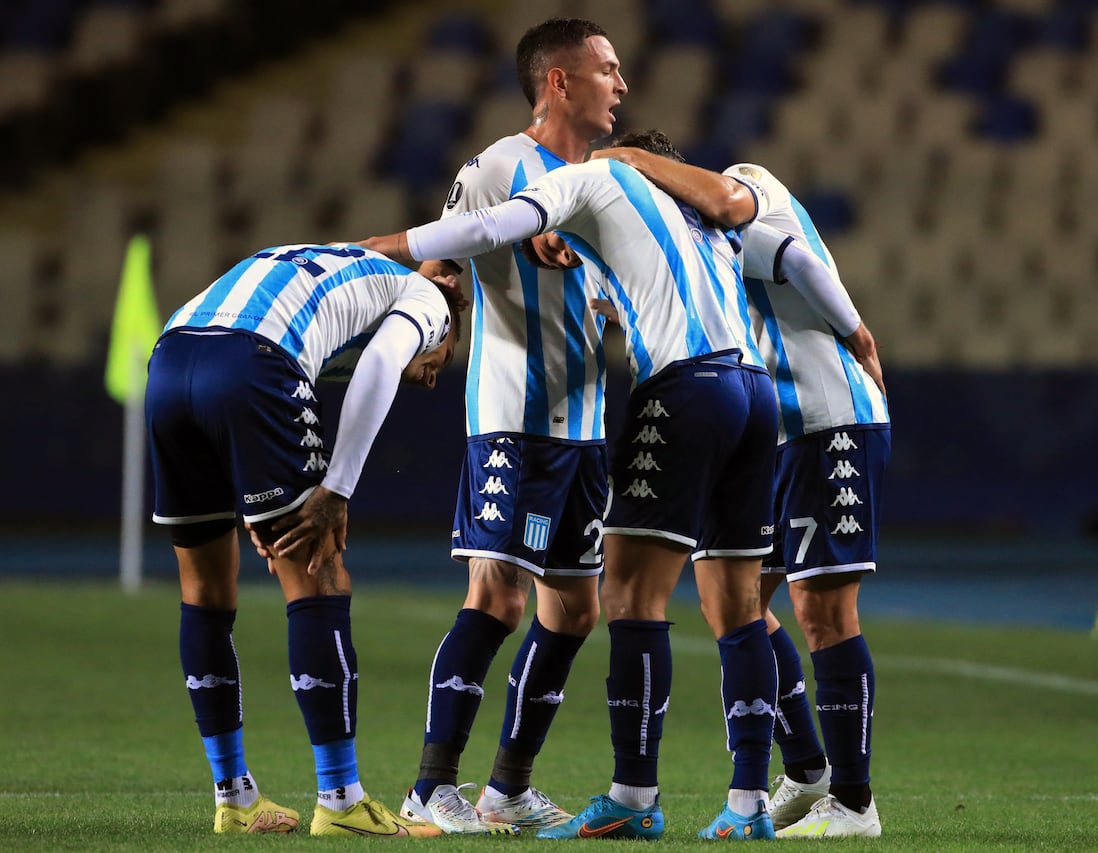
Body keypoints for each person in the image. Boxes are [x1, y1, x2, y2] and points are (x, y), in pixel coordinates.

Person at [356, 128, 877, 841]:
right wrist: (858, 332)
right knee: (740, 602)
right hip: (756, 395)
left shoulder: (592, 176)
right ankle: (750, 801)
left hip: (687, 388)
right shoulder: (697, 224)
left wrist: (379, 249)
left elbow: (487, 226)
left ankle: (631, 790)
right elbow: (781, 256)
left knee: (630, 593)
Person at [588, 144, 888, 837]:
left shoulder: (740, 191)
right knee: (744, 603)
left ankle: (854, 802)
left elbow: (799, 261)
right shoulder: (688, 249)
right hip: (778, 431)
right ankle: (809, 773)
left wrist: (859, 336)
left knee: (824, 608)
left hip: (828, 414)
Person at [390, 17, 627, 836]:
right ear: (558, 82)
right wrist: (436, 330)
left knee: (575, 609)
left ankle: (507, 790)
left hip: (586, 425)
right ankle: (430, 788)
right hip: (513, 419)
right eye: (606, 69)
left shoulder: (612, 178)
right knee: (496, 595)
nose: (621, 85)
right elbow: (441, 262)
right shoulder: (495, 168)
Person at [147, 242, 459, 837]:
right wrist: (335, 490)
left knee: (204, 589)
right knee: (320, 573)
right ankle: (341, 801)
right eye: (443, 359)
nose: (433, 375)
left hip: (171, 358)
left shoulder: (333, 262)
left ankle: (234, 799)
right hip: (253, 361)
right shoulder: (428, 299)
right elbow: (379, 366)